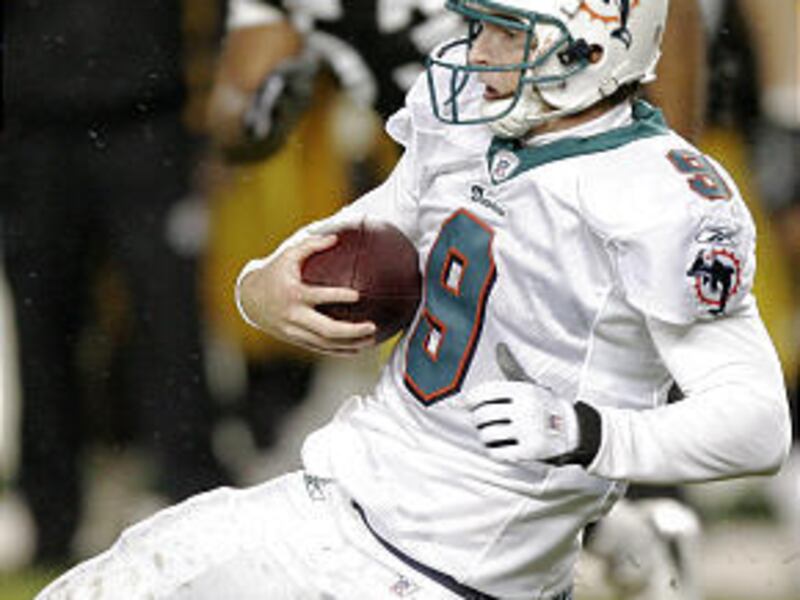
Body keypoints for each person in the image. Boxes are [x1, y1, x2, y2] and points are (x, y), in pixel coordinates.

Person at [35, 0, 792, 598]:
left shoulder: (663, 196)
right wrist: (262, 283)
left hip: (458, 569)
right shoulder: (471, 107)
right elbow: (395, 208)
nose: (478, 51)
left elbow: (756, 425)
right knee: (119, 576)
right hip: (340, 501)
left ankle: (635, 540)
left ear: (591, 42)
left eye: (506, 31)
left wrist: (589, 431)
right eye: (480, 25)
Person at [0, 0, 230, 568]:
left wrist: (212, 125)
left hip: (147, 123)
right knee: (42, 329)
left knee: (171, 320)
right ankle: (51, 519)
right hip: (35, 132)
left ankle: (194, 501)